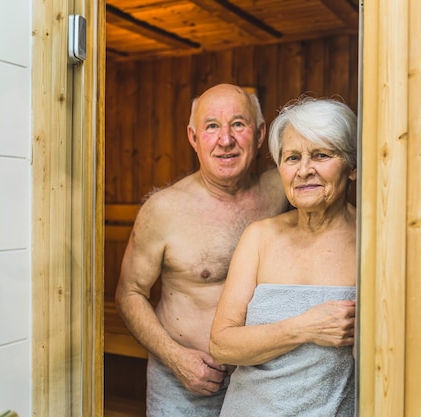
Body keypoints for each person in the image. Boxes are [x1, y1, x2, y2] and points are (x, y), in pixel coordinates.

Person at [115, 83, 290, 416]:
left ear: (260, 132)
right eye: (212, 127)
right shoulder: (163, 209)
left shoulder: (280, 191)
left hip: (260, 382)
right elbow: (129, 293)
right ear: (193, 137)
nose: (225, 140)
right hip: (184, 385)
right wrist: (175, 358)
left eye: (238, 124)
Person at [209, 96, 358, 417]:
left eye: (321, 154)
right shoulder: (259, 237)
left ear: (353, 167)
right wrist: (305, 327)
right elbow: (222, 344)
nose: (304, 170)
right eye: (292, 158)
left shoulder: (371, 242)